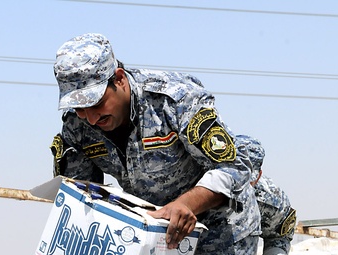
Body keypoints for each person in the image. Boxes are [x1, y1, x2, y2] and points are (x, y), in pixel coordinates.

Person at [50, 32, 261, 255]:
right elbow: (81, 195)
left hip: (222, 233)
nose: (91, 119)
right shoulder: (76, 127)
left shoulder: (174, 100)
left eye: (97, 104)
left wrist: (187, 204)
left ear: (119, 79)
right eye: (80, 109)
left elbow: (233, 166)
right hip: (158, 237)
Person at [235, 134, 296, 255]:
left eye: (247, 179)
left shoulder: (272, 202)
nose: (240, 185)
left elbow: (278, 237)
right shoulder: (194, 186)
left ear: (258, 176)